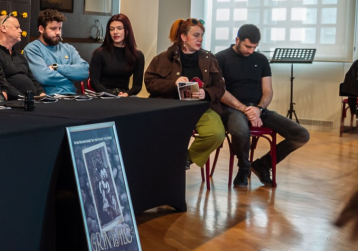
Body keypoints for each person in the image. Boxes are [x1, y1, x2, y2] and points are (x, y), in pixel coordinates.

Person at [216, 24, 309, 187]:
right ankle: (244, 168)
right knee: (240, 130)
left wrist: (259, 109)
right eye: (248, 46)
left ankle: (262, 165)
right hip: (232, 109)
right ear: (237, 40)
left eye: (255, 47)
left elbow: (268, 91)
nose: (251, 51)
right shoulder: (221, 58)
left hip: (257, 108)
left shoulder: (261, 60)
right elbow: (220, 92)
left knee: (301, 135)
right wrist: (244, 109)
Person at [144, 17, 226, 170]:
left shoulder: (209, 59)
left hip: (201, 108)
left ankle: (184, 160)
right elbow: (150, 84)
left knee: (216, 134)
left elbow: (220, 87)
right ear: (183, 37)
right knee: (156, 133)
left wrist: (206, 93)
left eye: (202, 35)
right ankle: (158, 167)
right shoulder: (162, 59)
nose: (200, 39)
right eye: (196, 35)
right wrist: (173, 84)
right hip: (169, 107)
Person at [24, 9, 90, 95]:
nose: (58, 32)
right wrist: (72, 77)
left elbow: (84, 71)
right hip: (49, 98)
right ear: (41, 29)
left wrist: (56, 67)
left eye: (59, 28)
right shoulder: (32, 49)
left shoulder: (68, 48)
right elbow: (44, 77)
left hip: (72, 97)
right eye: (53, 29)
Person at [89, 13, 145, 96]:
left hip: (125, 95)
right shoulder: (99, 53)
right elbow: (94, 82)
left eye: (119, 28)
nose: (115, 32)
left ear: (127, 30)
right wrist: (111, 94)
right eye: (112, 29)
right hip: (104, 95)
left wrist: (126, 94)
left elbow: (137, 86)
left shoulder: (138, 56)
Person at [0, 13, 42, 99]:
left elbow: (32, 79)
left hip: (32, 100)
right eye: (17, 27)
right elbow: (1, 82)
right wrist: (23, 97)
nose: (21, 31)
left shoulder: (19, 55)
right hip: (16, 102)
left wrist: (41, 93)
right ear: (3, 28)